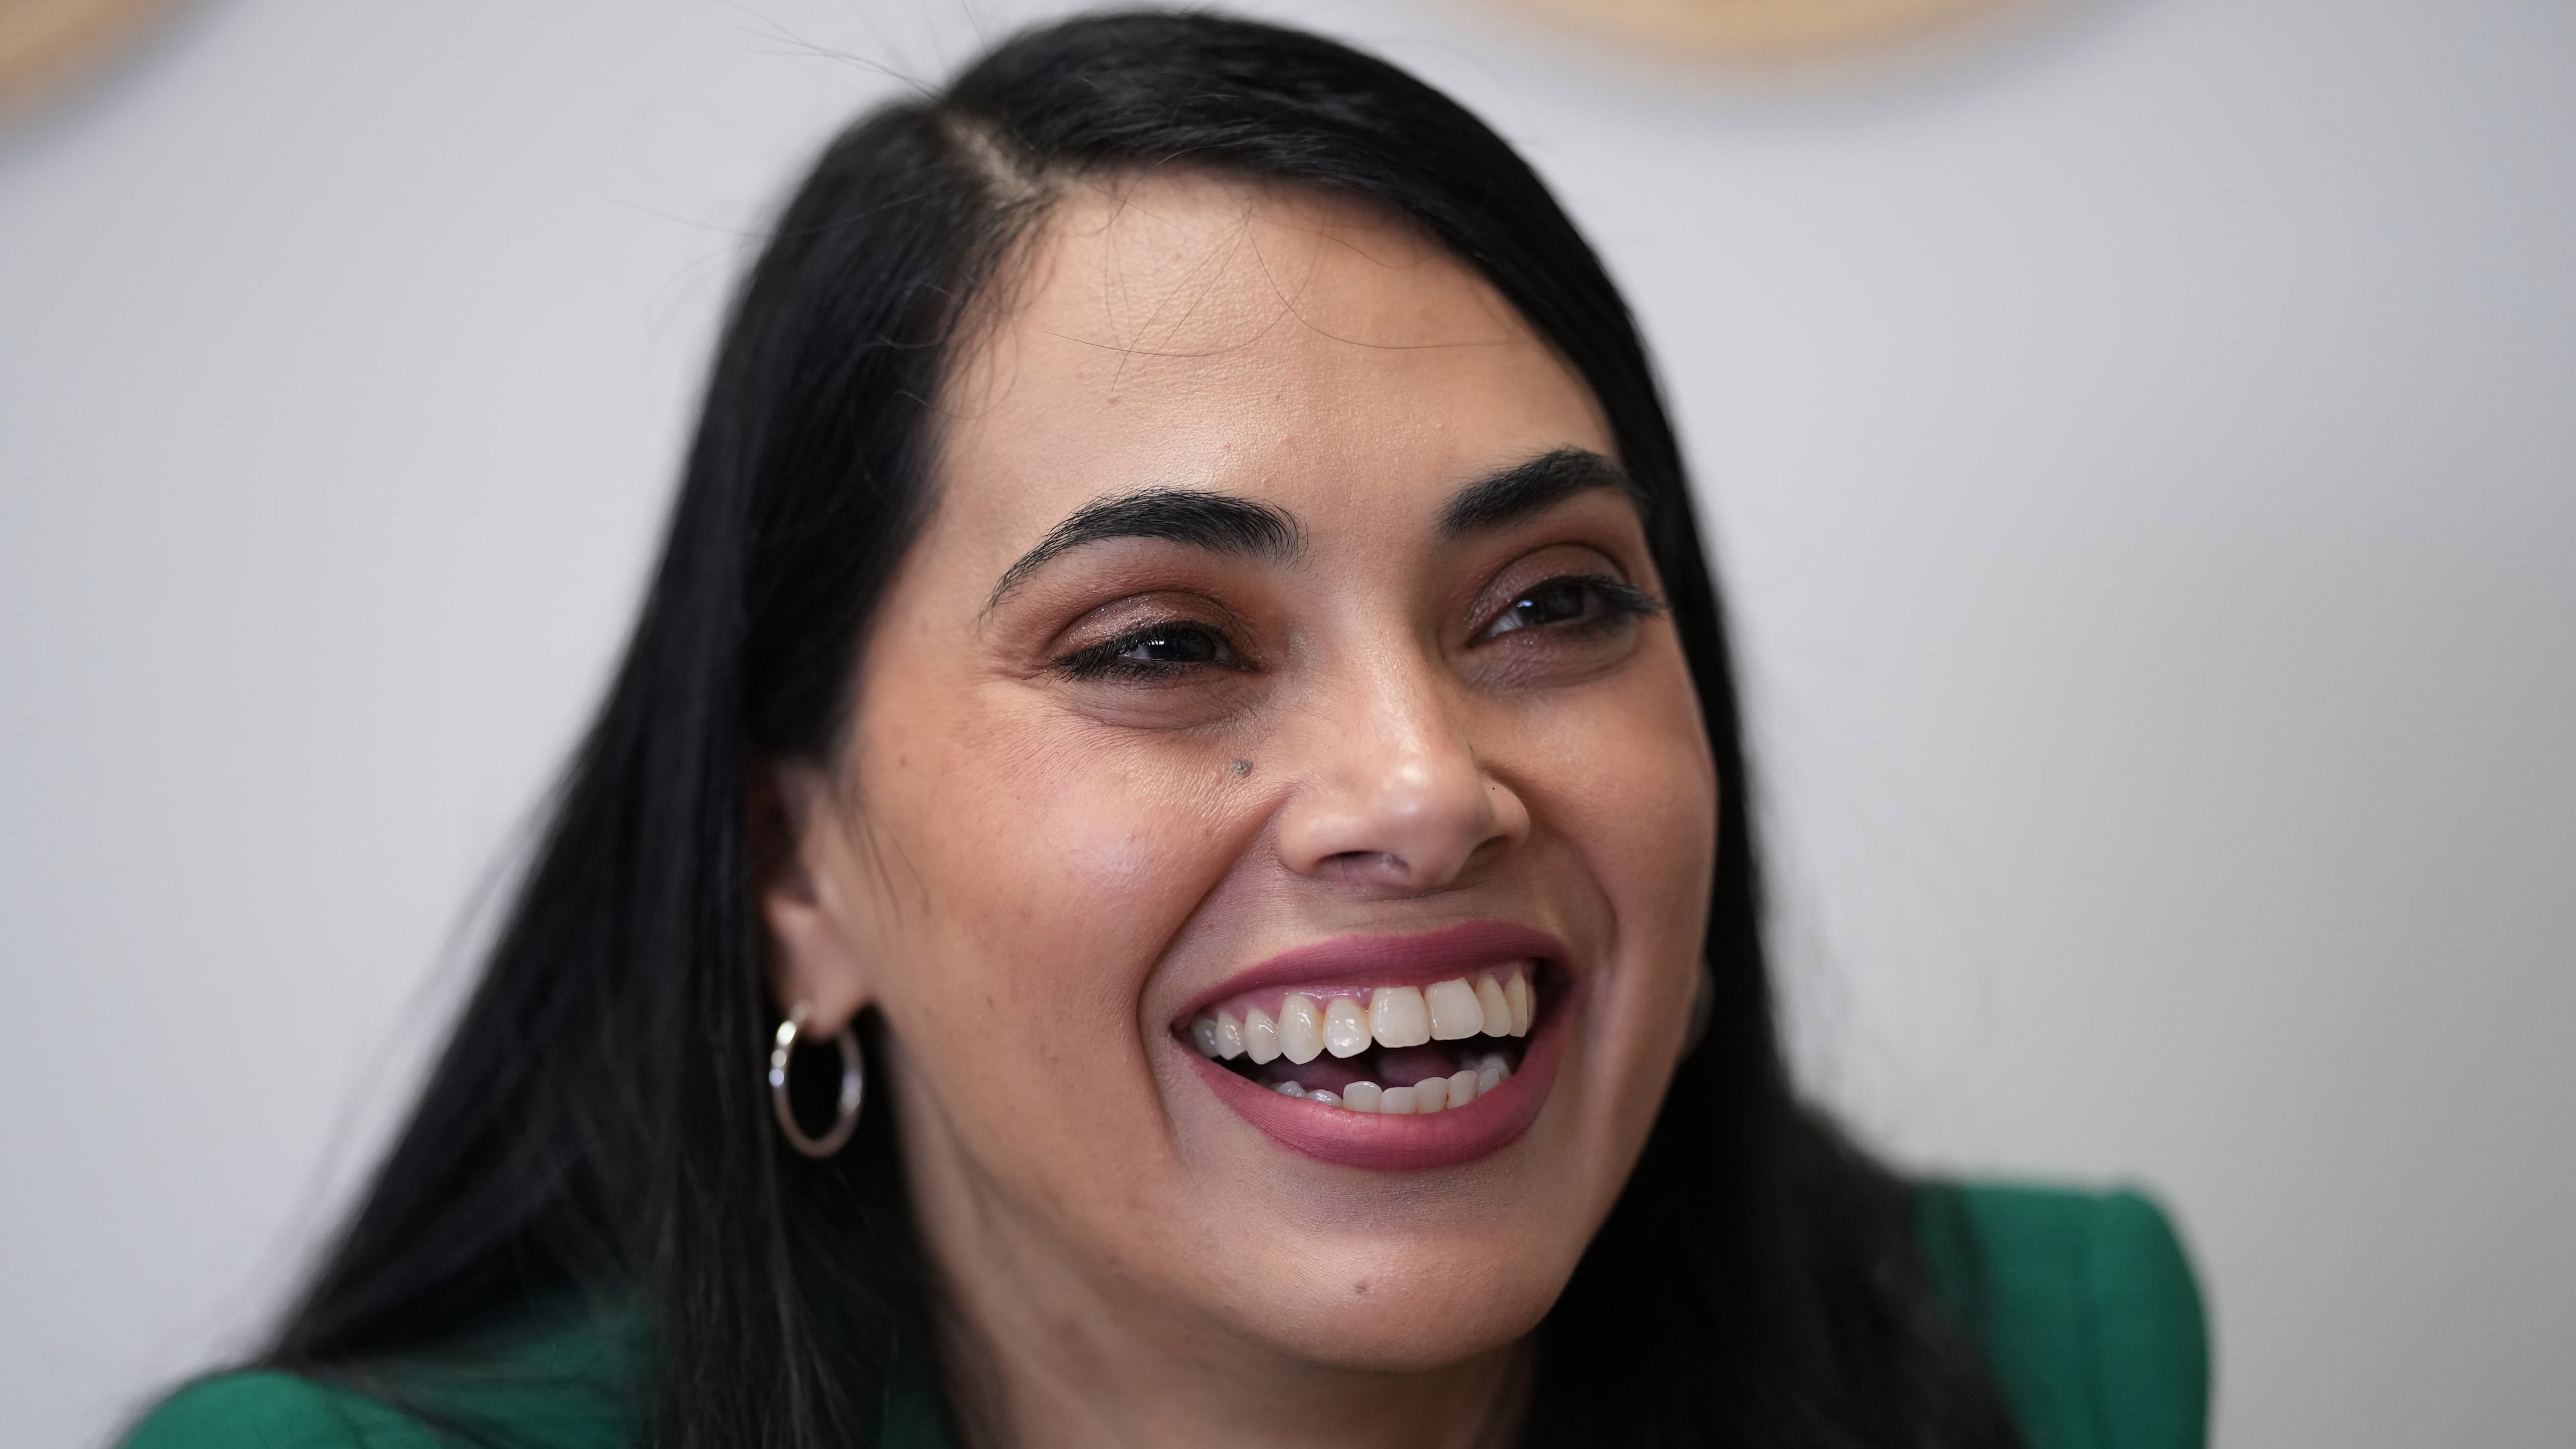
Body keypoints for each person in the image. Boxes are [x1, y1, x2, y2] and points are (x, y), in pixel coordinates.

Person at [121, 11, 2205, 1449]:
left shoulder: (2033, 1354)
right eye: (1159, 644)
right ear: (792, 872)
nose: (1420, 787)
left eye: (1552, 603)